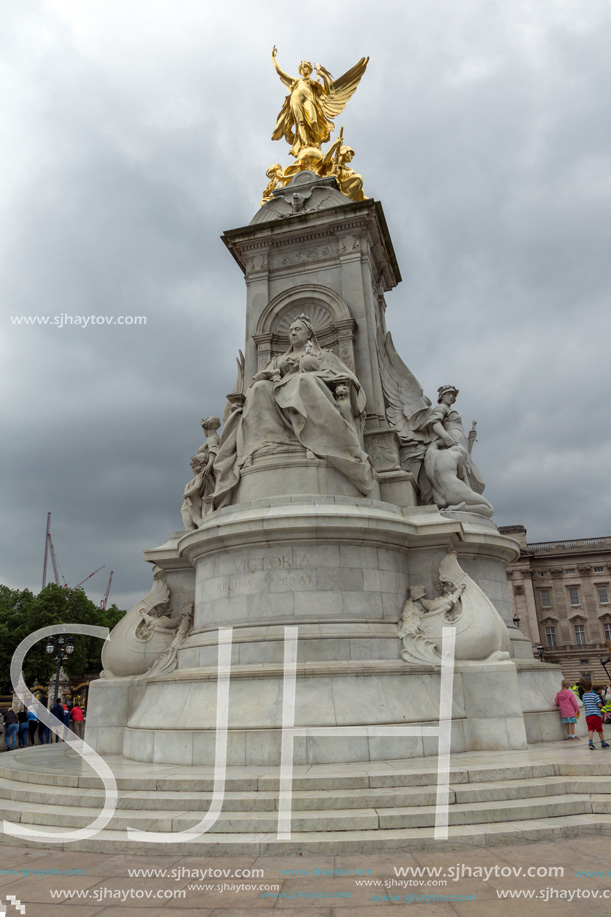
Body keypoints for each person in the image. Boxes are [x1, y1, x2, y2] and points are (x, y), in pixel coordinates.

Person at [213, 316, 374, 506]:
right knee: (258, 390)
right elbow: (259, 380)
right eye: (290, 330)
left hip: (306, 388)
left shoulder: (324, 356)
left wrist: (312, 371)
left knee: (303, 382)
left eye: (297, 329)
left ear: (309, 334)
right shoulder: (278, 359)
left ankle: (314, 440)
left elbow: (347, 378)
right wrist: (264, 376)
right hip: (279, 392)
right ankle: (264, 445)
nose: (293, 333)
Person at [415, 386, 494, 517]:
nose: (451, 397)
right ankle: (464, 500)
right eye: (448, 394)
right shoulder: (441, 408)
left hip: (458, 440)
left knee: (464, 471)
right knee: (461, 473)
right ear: (441, 396)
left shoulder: (449, 409)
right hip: (452, 440)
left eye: (453, 395)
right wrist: (446, 437)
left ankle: (464, 500)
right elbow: (434, 422)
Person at [580, 677, 610, 749]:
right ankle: (603, 743)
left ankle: (590, 742)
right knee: (599, 730)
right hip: (596, 715)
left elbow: (585, 704)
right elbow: (600, 705)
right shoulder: (595, 695)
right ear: (591, 686)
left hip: (588, 716)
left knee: (590, 729)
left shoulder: (583, 696)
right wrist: (601, 705)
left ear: (583, 688)